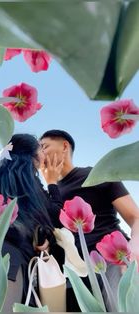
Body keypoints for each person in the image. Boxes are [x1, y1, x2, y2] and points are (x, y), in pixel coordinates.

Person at [39, 129, 139, 311]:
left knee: (119, 306)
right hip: (73, 271)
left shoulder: (97, 175)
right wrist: (50, 184)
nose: (40, 153)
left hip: (111, 258)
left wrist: (134, 248)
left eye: (44, 146)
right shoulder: (48, 195)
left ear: (64, 146)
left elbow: (135, 217)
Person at [0, 133, 64, 312]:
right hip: (6, 256)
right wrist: (52, 183)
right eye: (41, 148)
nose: (44, 153)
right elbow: (57, 217)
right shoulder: (27, 180)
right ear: (32, 154)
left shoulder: (6, 179)